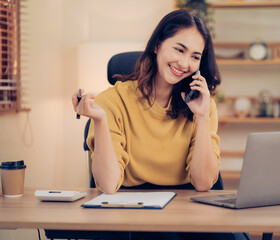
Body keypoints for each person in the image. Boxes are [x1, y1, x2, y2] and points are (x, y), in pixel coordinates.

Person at [73, 9, 250, 240]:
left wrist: (203, 118)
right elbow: (107, 185)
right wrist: (100, 119)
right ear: (157, 45)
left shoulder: (203, 104)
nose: (185, 63)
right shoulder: (112, 101)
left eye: (195, 57)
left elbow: (204, 182)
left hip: (189, 206)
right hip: (132, 207)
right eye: (179, 49)